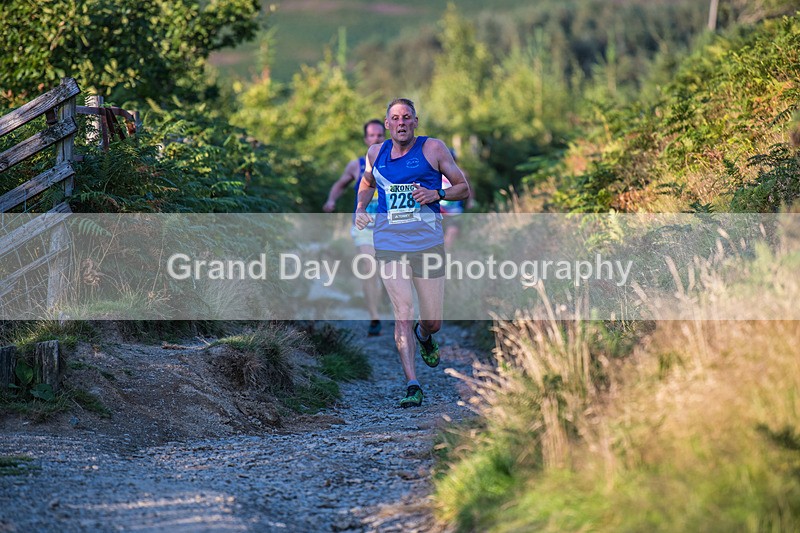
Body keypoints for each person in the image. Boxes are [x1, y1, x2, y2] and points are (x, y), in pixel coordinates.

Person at [354, 98, 470, 408]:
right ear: (387, 124)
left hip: (427, 242)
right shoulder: (375, 153)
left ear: (415, 122)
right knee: (402, 313)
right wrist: (361, 207)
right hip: (389, 242)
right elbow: (366, 182)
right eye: (395, 118)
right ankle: (412, 384)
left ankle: (425, 334)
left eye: (407, 117)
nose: (402, 122)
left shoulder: (433, 148)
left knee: (432, 321)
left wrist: (438, 193)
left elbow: (463, 187)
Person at [323, 119, 386, 336]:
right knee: (370, 269)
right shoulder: (356, 165)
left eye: (380, 135)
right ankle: (374, 317)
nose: (376, 139)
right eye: (372, 135)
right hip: (364, 227)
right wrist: (331, 200)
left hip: (390, 227)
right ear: (365, 138)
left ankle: (396, 307)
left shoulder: (396, 161)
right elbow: (340, 185)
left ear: (385, 136)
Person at [440, 148, 475, 251]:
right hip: (439, 209)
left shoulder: (462, 173)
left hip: (455, 210)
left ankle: (446, 254)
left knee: (452, 232)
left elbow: (469, 189)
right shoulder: (436, 172)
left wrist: (470, 201)